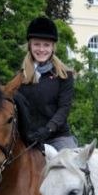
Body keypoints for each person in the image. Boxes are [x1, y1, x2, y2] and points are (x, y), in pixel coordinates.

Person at [19, 16, 78, 150]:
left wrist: (48, 129)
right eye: (37, 44)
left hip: (57, 137)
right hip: (28, 137)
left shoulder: (65, 76)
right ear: (30, 45)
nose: (41, 49)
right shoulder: (21, 77)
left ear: (53, 47)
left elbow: (63, 109)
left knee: (76, 166)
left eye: (46, 45)